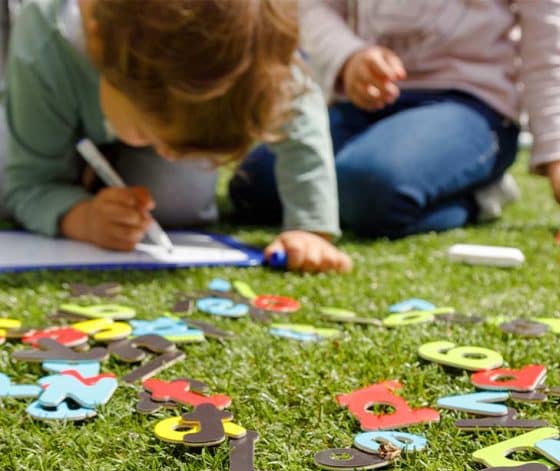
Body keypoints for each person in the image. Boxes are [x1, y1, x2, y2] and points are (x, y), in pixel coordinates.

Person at [0, 0, 352, 272]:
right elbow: (29, 182)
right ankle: (79, 178)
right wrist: (82, 217)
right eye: (147, 131)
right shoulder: (45, 41)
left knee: (177, 202)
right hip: (41, 112)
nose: (170, 155)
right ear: (97, 42)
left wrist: (310, 228)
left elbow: (298, 107)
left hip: (132, 97)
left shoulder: (245, 39)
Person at [230, 0, 560, 238]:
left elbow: (551, 50)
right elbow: (313, 8)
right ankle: (423, 180)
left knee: (367, 187)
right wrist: (349, 57)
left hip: (470, 105)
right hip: (364, 101)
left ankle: (480, 197)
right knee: (253, 185)